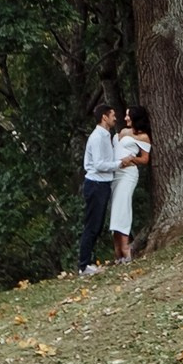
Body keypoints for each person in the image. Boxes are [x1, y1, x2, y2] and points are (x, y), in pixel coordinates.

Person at [78, 105, 121, 276]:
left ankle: (87, 262)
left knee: (97, 225)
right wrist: (120, 164)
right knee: (92, 226)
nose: (115, 118)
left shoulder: (106, 136)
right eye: (112, 115)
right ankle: (83, 265)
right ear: (104, 117)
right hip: (96, 184)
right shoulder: (97, 138)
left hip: (102, 184)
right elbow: (99, 164)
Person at [110, 104, 153, 264]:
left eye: (129, 115)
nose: (126, 118)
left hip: (128, 173)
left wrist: (131, 159)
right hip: (115, 174)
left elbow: (145, 159)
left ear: (136, 118)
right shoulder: (122, 131)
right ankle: (118, 251)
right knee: (115, 209)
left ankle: (126, 248)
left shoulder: (143, 137)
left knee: (123, 207)